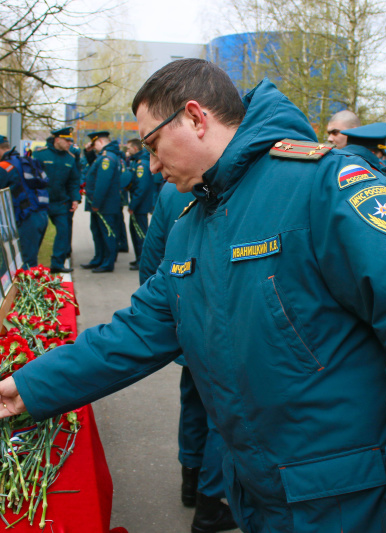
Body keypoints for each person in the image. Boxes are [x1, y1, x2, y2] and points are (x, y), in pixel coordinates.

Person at [0, 59, 386, 533]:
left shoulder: (325, 187)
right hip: (261, 492)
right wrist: (33, 387)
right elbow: (139, 331)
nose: (153, 166)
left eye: (153, 144)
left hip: (347, 499)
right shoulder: (194, 220)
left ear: (195, 117)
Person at [139, 181, 235, 533]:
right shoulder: (244, 179)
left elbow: (152, 259)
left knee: (195, 401)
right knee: (221, 418)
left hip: (186, 319)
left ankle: (191, 484)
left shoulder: (169, 188)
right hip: (223, 328)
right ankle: (211, 505)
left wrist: (167, 320)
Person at [0, 134, 49, 268]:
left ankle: (30, 288)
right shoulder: (24, 160)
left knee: (26, 262)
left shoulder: (5, 166)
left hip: (27, 218)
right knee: (31, 258)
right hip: (41, 215)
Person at [33, 127, 81, 273]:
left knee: (63, 231)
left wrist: (75, 199)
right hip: (40, 202)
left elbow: (73, 181)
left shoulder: (69, 158)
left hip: (61, 202)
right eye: (67, 140)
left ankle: (57, 264)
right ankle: (31, 262)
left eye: (70, 141)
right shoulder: (40, 155)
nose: (69, 144)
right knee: (37, 232)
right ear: (57, 139)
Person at [80, 131, 124, 273]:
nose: (93, 148)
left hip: (105, 206)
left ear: (100, 142)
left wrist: (96, 203)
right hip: (102, 205)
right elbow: (93, 166)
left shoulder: (107, 158)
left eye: (94, 145)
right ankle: (99, 259)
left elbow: (102, 183)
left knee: (108, 234)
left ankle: (107, 263)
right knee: (98, 232)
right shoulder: (104, 156)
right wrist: (88, 152)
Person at [124, 138, 154, 271]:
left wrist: (133, 205)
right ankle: (138, 259)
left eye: (129, 148)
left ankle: (143, 260)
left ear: (135, 149)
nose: (127, 150)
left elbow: (141, 188)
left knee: (140, 234)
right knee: (135, 232)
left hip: (140, 206)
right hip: (138, 205)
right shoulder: (137, 162)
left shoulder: (141, 164)